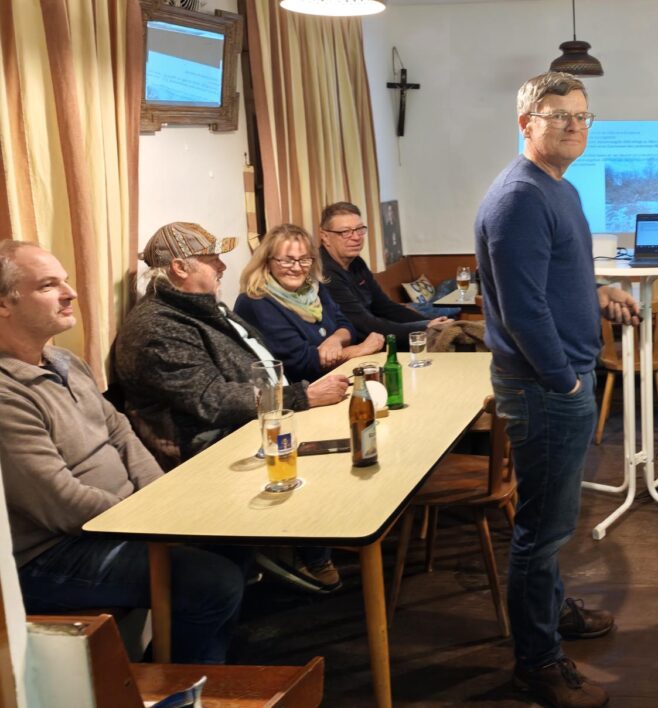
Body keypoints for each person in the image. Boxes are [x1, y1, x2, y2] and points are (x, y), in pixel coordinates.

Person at [475, 71, 640, 708]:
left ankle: (550, 611)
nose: (574, 125)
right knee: (541, 531)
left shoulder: (558, 188)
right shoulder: (520, 197)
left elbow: (549, 279)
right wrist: (566, 382)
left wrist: (599, 293)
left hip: (557, 380)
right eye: (558, 114)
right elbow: (522, 310)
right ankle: (537, 662)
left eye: (582, 115)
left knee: (551, 525)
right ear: (527, 123)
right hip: (545, 388)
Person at [0, 240, 244, 662]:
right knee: (211, 582)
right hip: (48, 555)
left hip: (118, 520)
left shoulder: (64, 361)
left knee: (232, 541)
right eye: (48, 285)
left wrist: (160, 499)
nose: (70, 293)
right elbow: (60, 503)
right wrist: (145, 518)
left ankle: (188, 673)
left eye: (66, 281)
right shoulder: (7, 393)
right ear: (4, 304)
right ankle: (170, 687)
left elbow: (120, 432)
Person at [114, 222, 348, 592]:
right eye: (212, 259)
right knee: (325, 445)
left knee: (343, 431)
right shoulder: (156, 327)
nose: (222, 266)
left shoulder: (201, 307)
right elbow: (212, 399)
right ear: (180, 267)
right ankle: (305, 553)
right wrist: (301, 397)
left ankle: (314, 539)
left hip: (255, 420)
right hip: (207, 446)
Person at [235, 224, 385, 385]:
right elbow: (303, 364)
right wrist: (360, 349)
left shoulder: (312, 289)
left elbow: (346, 325)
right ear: (267, 261)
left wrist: (335, 340)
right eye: (287, 260)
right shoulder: (256, 301)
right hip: (299, 393)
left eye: (304, 259)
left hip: (334, 379)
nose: (297, 267)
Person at [317, 201, 453, 341]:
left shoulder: (357, 262)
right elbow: (363, 324)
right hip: (354, 343)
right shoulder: (324, 272)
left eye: (359, 229)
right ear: (325, 236)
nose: (356, 237)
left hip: (375, 333)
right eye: (345, 232)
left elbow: (384, 306)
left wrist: (429, 322)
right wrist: (425, 328)